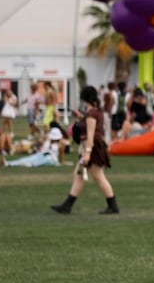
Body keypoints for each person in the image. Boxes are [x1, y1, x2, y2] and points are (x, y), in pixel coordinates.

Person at [50, 86, 119, 215]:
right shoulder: (94, 111)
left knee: (98, 176)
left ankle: (113, 206)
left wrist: (87, 153)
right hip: (93, 147)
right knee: (79, 175)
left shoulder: (91, 114)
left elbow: (90, 134)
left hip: (92, 148)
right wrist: (81, 116)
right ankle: (67, 206)